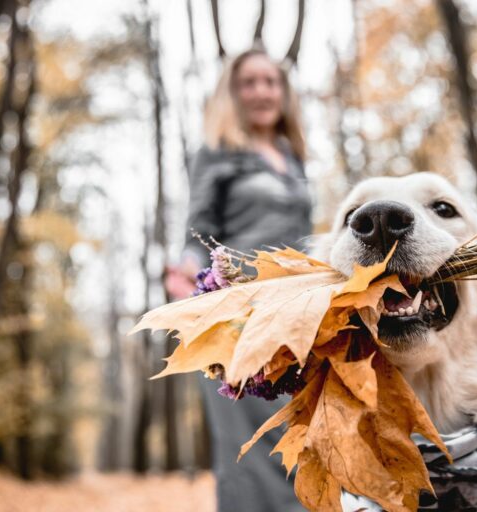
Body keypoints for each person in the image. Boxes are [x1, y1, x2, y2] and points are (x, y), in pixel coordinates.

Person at [166, 49, 311, 512]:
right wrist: (186, 271)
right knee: (248, 450)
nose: (262, 91)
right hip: (235, 313)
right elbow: (198, 227)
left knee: (297, 443)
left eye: (270, 81)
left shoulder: (293, 157)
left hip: (295, 314)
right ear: (233, 93)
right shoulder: (217, 152)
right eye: (249, 82)